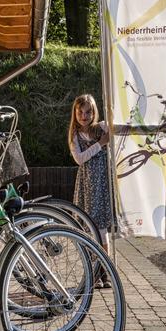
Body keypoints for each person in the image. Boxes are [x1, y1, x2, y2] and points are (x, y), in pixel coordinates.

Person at [68, 94, 112, 288]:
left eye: (88, 112)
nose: (84, 116)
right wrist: (100, 144)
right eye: (81, 112)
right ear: (75, 113)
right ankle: (92, 273)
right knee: (88, 230)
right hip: (87, 186)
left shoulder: (102, 128)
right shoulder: (75, 136)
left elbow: (120, 129)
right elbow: (80, 158)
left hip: (102, 185)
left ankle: (105, 272)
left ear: (94, 112)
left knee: (102, 232)